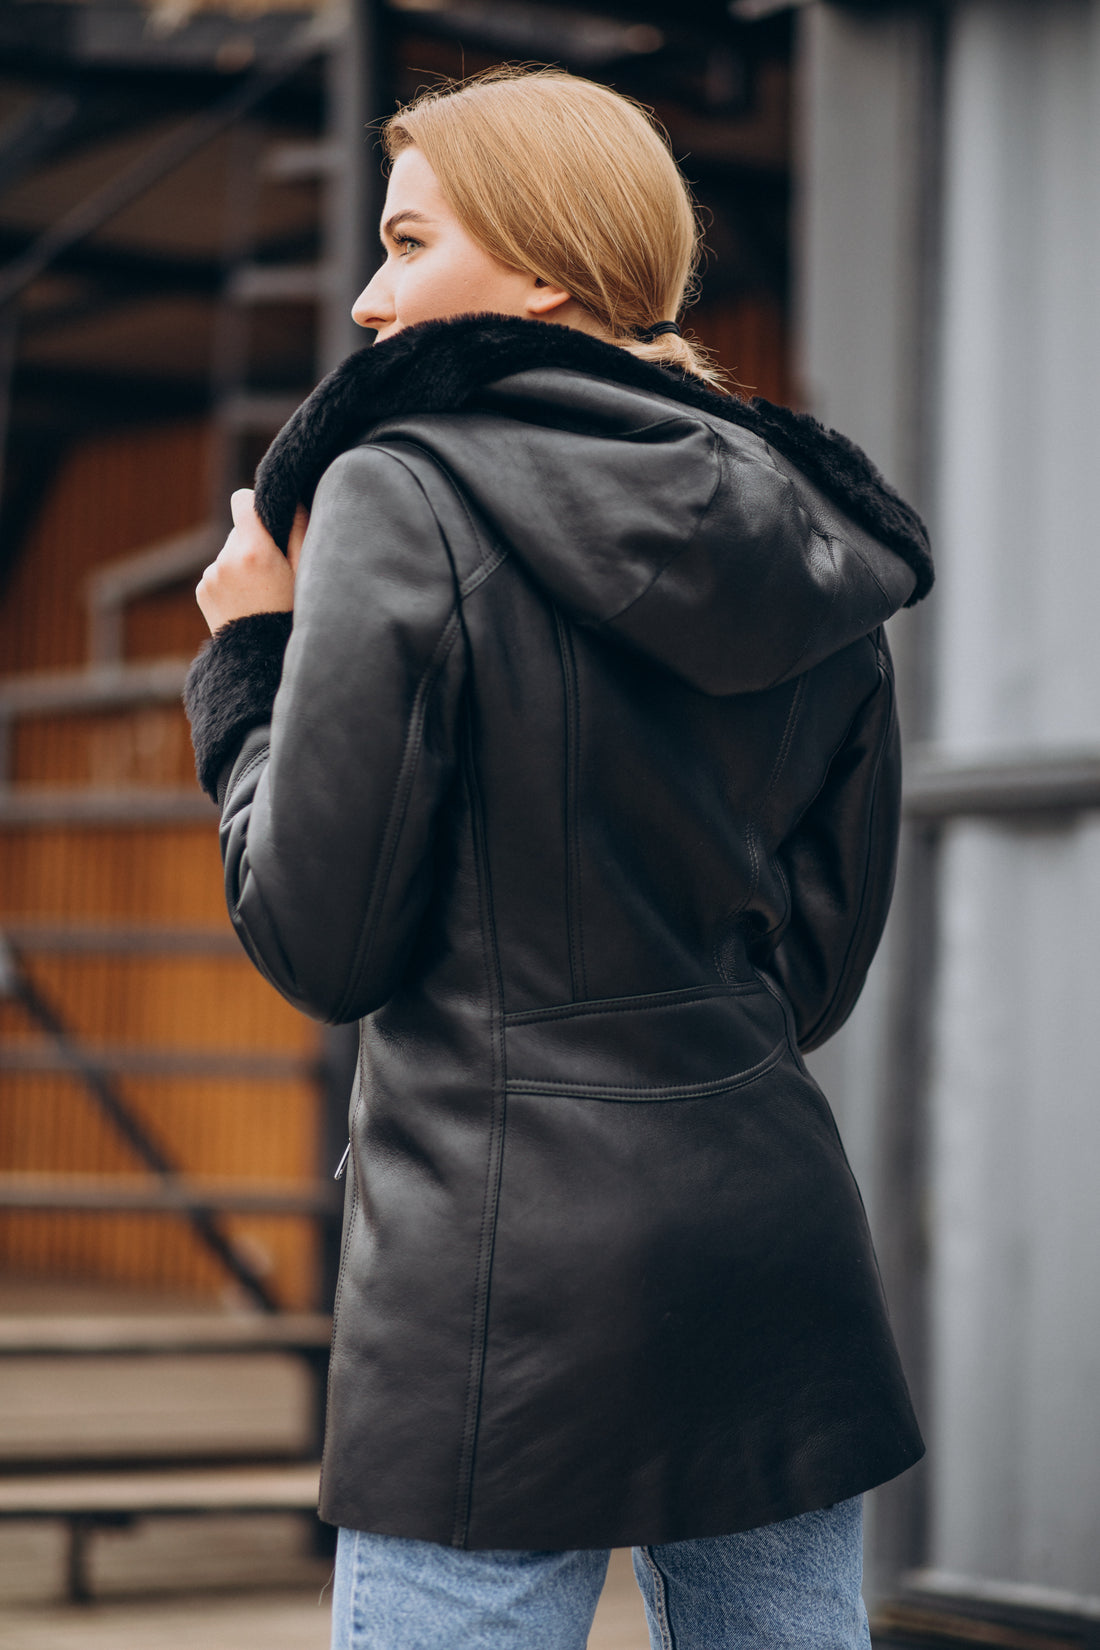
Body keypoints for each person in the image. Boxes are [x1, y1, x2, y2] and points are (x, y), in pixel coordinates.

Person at [184, 66, 931, 1650]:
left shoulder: (401, 488)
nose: (374, 303)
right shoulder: (811, 526)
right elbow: (819, 958)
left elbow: (317, 937)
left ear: (540, 267)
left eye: (405, 241)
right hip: (772, 1237)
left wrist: (249, 661)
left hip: (493, 1277)